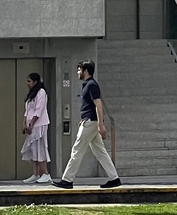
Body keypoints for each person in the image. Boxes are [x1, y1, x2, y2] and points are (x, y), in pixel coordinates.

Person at [53, 60, 121, 189]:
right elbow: (89, 106)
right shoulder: (87, 85)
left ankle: (67, 180)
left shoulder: (91, 85)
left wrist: (101, 125)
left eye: (79, 70)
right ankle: (114, 178)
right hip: (89, 121)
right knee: (100, 152)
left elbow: (98, 104)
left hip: (91, 123)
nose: (77, 72)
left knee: (77, 150)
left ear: (86, 71)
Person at [22, 72, 52, 184]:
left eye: (29, 81)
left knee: (41, 148)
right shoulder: (31, 95)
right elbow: (27, 111)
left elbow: (38, 110)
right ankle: (36, 173)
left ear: (35, 82)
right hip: (31, 126)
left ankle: (45, 173)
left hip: (40, 124)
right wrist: (24, 124)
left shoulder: (41, 92)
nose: (27, 83)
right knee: (34, 149)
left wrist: (32, 124)